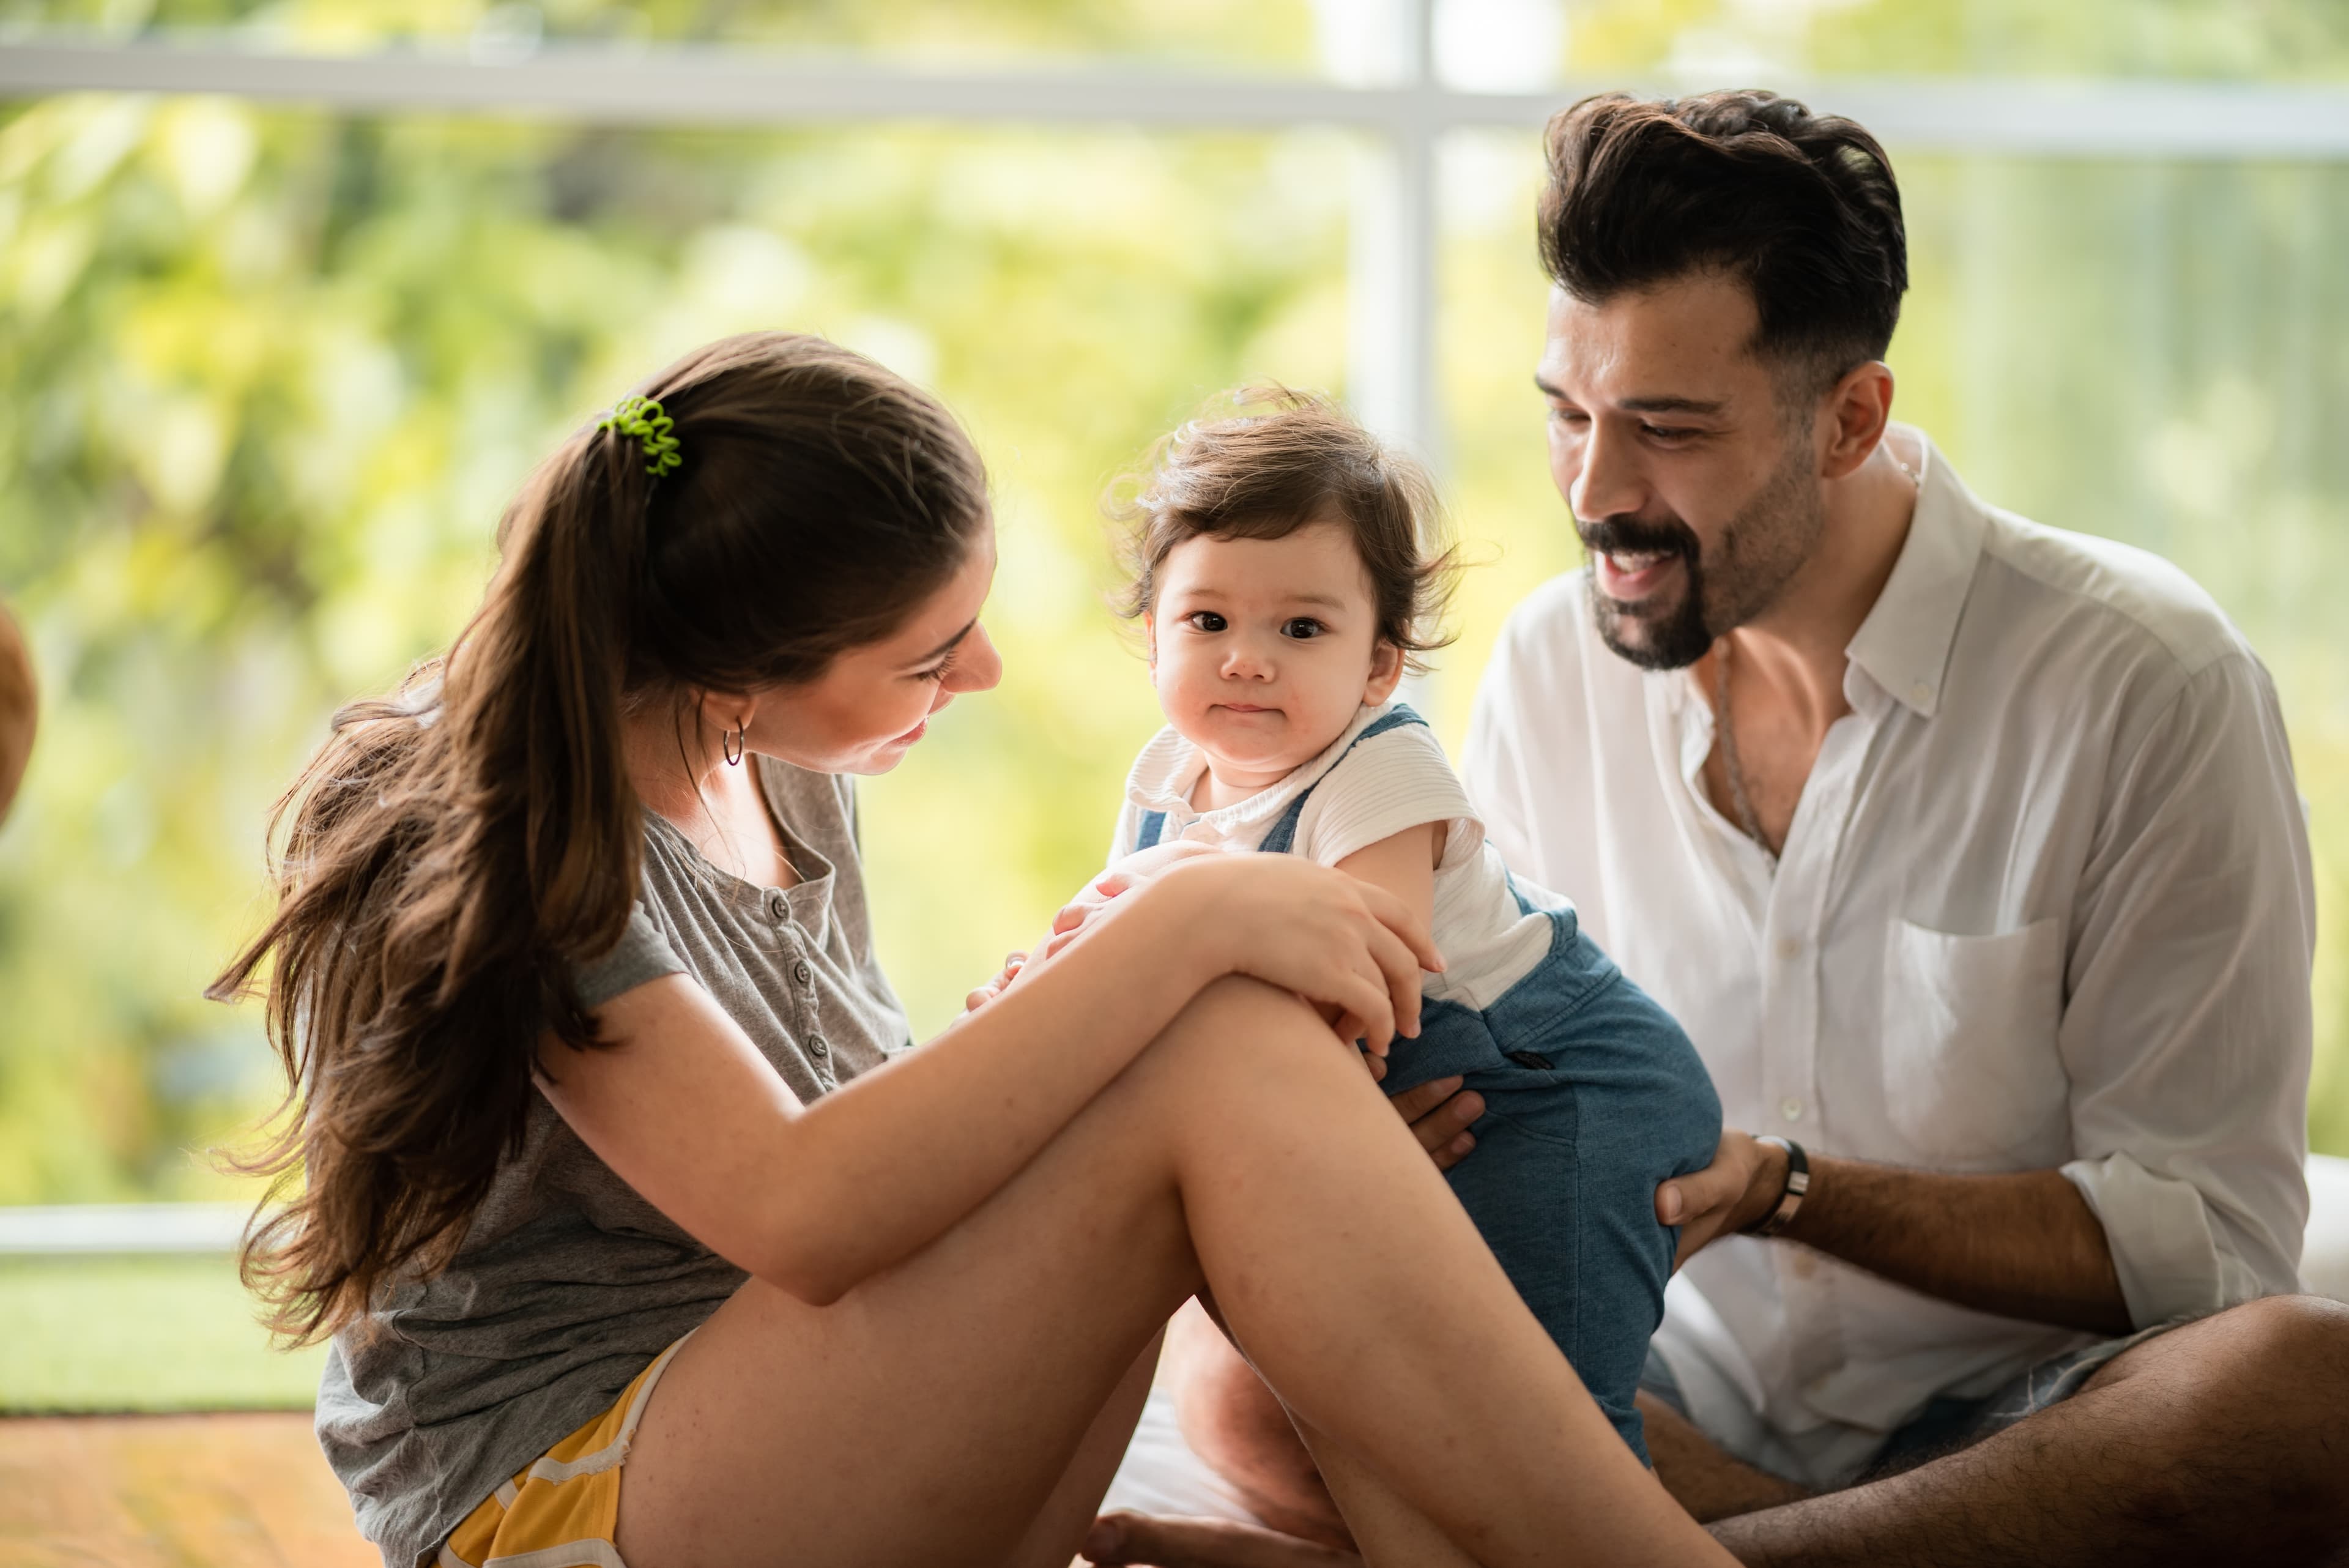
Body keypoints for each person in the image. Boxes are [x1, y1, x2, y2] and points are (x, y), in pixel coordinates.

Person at [210, 330, 1740, 1568]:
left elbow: (922, 1157)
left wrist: (1304, 1168)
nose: (989, 674)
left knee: (1227, 1058)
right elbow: (804, 1208)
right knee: (1204, 1028)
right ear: (740, 670)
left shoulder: (770, 759)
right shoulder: (522, 830)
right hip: (569, 1498)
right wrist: (1186, 913)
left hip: (795, 1423)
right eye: (932, 655)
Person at [1088, 89, 2349, 1568]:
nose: (1597, 492)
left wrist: (1789, 1190)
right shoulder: (1558, 663)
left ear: (1851, 418)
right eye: (1568, 415)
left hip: (2021, 1414)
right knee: (1240, 1373)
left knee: (2299, 1395)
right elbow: (1485, 1032)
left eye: (1669, 432)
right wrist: (1396, 1148)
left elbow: (2207, 1244)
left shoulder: (2148, 681)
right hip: (1653, 1381)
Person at [1069, 387, 1721, 1468]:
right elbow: (1118, 976)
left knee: (1538, 1414)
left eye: (1302, 628)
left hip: (1553, 1087)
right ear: (1152, 636)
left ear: (1378, 665)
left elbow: (1361, 990)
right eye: (1208, 620)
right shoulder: (1165, 781)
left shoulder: (1380, 771)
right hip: (1394, 1100)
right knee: (1399, 1403)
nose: (1245, 657)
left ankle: (1597, 1521)